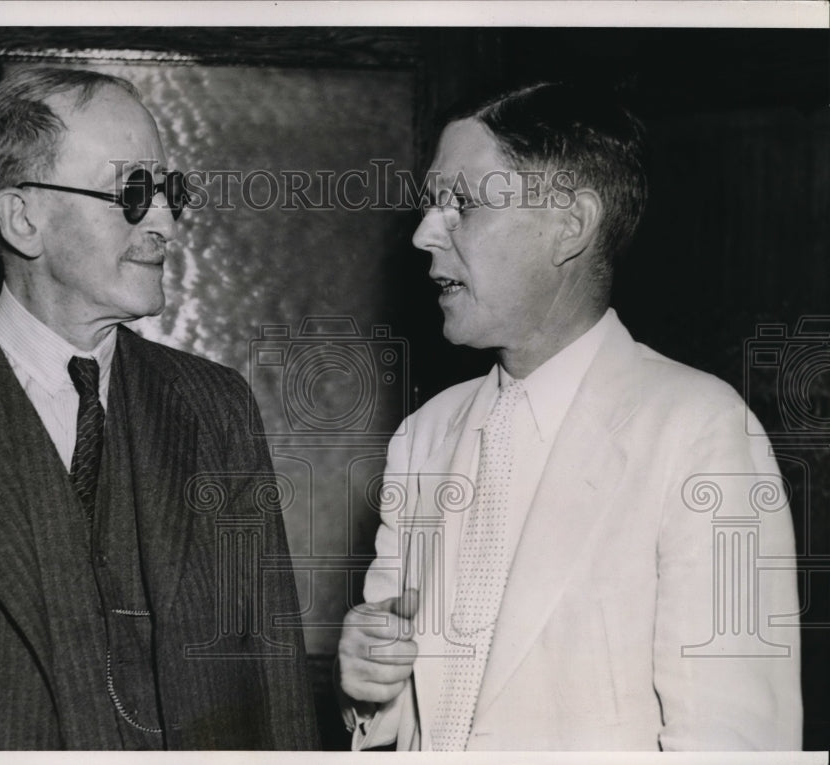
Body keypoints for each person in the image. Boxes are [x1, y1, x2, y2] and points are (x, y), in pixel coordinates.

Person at [0, 67, 318, 750]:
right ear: (24, 218)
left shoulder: (216, 408)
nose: (165, 222)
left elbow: (276, 689)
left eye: (169, 192)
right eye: (132, 192)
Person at [337, 82, 802, 751]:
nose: (423, 233)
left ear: (570, 225)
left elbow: (734, 739)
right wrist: (369, 687)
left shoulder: (699, 430)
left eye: (461, 203)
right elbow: (396, 713)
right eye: (431, 203)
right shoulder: (424, 435)